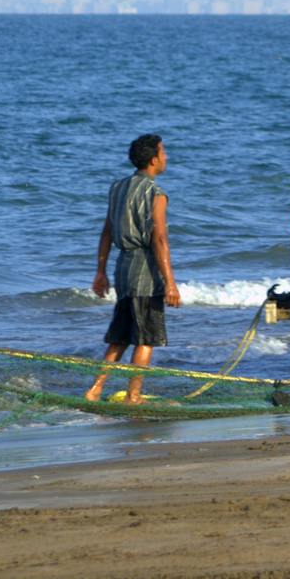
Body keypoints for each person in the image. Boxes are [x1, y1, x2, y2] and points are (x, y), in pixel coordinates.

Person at [85, 133, 182, 404]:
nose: (166, 158)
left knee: (120, 337)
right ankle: (133, 395)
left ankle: (95, 389)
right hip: (145, 271)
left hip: (122, 268)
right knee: (146, 338)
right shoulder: (156, 193)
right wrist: (170, 283)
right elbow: (159, 239)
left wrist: (100, 271)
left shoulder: (118, 187)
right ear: (153, 160)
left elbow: (106, 231)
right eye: (163, 153)